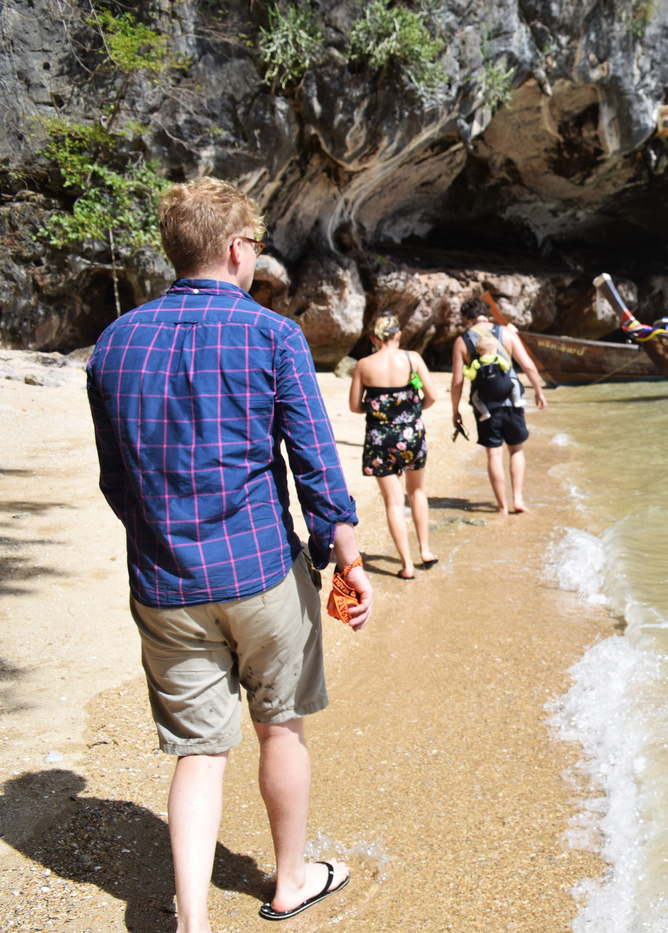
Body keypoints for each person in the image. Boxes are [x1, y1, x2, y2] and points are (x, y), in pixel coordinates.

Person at [86, 177, 373, 931]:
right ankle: (288, 882)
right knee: (280, 727)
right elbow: (316, 464)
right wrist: (347, 557)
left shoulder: (115, 342)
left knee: (197, 751)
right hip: (261, 575)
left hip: (164, 581)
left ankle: (192, 920)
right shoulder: (272, 335)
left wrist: (163, 541)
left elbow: (118, 480)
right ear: (240, 249)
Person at [349, 312, 439, 579]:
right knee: (417, 491)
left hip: (380, 439)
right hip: (412, 434)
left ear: (373, 337)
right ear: (398, 334)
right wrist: (410, 412)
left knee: (393, 502)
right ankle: (425, 551)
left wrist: (381, 410)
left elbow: (355, 406)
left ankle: (407, 565)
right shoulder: (413, 359)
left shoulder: (364, 364)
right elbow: (431, 396)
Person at [450, 298, 547, 515]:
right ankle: (518, 500)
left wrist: (455, 410)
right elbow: (528, 366)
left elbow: (457, 381)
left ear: (467, 318)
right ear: (487, 313)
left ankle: (502, 506)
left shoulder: (462, 341)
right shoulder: (506, 333)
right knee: (516, 450)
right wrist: (539, 391)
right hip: (512, 401)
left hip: (485, 405)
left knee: (494, 454)